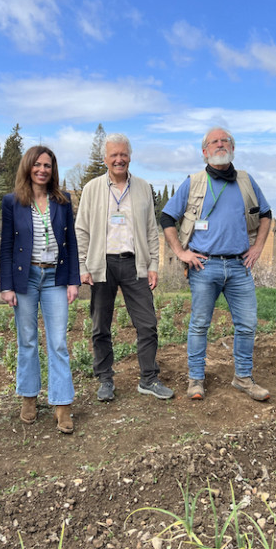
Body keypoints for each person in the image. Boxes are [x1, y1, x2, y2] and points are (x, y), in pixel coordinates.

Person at [161, 127, 273, 401]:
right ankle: (196, 380)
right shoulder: (194, 182)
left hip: (239, 267)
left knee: (247, 325)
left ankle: (243, 378)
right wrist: (181, 253)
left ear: (232, 147)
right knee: (199, 325)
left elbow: (267, 215)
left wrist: (257, 248)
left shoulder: (246, 181)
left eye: (225, 141)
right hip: (204, 266)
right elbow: (166, 218)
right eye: (214, 142)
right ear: (204, 151)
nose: (220, 144)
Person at [75, 133, 174, 402]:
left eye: (123, 154)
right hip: (102, 264)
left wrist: (153, 264)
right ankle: (105, 380)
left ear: (130, 157)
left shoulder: (142, 187)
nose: (119, 159)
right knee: (100, 326)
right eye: (114, 155)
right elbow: (81, 230)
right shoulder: (92, 189)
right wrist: (84, 266)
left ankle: (149, 379)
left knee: (148, 324)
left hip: (135, 263)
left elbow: (152, 230)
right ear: (105, 159)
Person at [0, 146, 80, 434]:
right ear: (28, 167)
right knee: (28, 340)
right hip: (26, 278)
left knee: (58, 342)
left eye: (47, 165)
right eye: (37, 164)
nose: (42, 170)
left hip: (55, 278)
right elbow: (7, 245)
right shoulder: (12, 202)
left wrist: (74, 280)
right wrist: (6, 285)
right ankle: (29, 398)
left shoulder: (63, 201)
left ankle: (62, 405)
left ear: (52, 169)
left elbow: (70, 244)